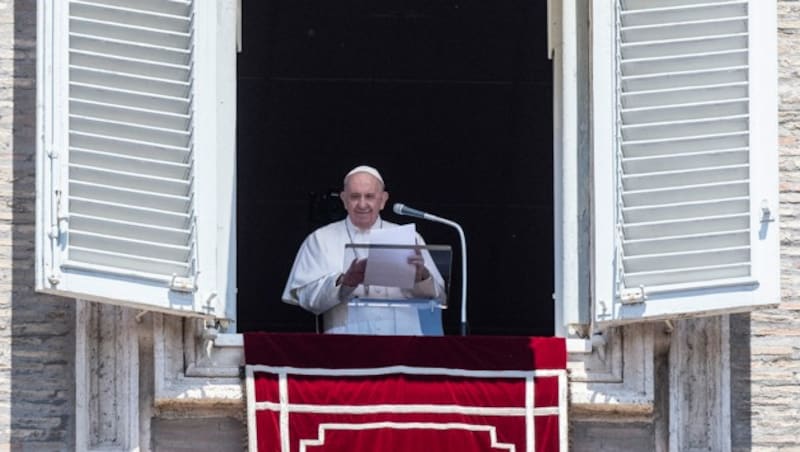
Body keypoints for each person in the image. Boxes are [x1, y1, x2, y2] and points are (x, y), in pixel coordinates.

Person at [282, 165, 445, 335]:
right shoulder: (320, 240)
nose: (362, 204)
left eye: (369, 196)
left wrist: (422, 278)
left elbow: (439, 297)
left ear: (382, 200)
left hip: (403, 343)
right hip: (346, 343)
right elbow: (307, 298)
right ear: (344, 200)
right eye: (354, 197)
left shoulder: (411, 238)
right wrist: (344, 282)